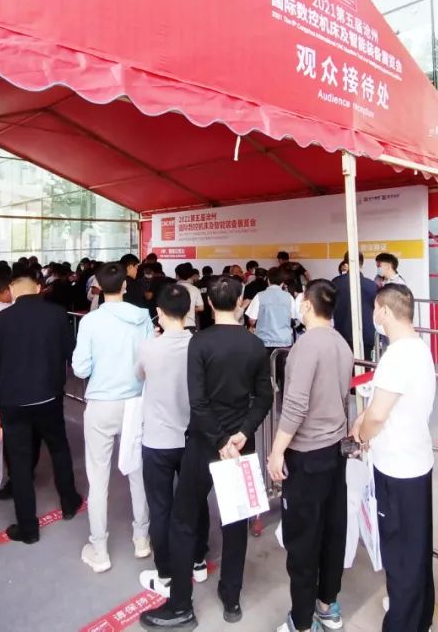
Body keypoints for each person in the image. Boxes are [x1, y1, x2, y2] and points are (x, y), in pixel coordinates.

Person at [141, 275, 273, 630]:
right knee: (235, 523)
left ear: (210, 304)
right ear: (241, 301)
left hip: (203, 443)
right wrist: (241, 434)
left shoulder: (199, 342)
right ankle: (231, 600)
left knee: (184, 521)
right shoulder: (255, 344)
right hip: (240, 446)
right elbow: (265, 397)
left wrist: (219, 440)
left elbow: (197, 403)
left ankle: (181, 605)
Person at [266, 279, 353, 632]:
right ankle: (327, 605)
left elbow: (295, 405)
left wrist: (276, 450)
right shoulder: (341, 343)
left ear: (306, 306)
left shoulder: (305, 346)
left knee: (302, 539)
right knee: (332, 531)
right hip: (334, 451)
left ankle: (301, 621)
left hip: (306, 456)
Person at [352, 284, 436, 632]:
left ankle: (402, 623)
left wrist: (362, 433)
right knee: (416, 550)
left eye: (375, 308)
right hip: (417, 460)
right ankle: (420, 617)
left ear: (384, 311)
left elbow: (377, 415)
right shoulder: (418, 347)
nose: (374, 314)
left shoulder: (397, 356)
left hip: (397, 468)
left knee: (400, 556)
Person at [0, 265, 83, 544]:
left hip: (12, 402)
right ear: (38, 288)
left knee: (20, 462)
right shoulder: (56, 314)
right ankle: (69, 501)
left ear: (12, 290)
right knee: (59, 448)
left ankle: (28, 528)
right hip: (49, 396)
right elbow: (71, 354)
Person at [72, 262, 153, 573]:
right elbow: (148, 360)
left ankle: (99, 548)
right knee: (138, 471)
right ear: (124, 286)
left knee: (98, 477)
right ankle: (142, 538)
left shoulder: (91, 322)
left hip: (102, 404)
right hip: (136, 402)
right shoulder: (143, 317)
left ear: (98, 288)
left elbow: (80, 369)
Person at [136, 285, 210, 597]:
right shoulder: (200, 345)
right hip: (194, 438)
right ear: (190, 311)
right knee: (196, 502)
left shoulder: (148, 348)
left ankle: (166, 572)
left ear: (159, 313)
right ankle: (198, 560)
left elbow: (139, 376)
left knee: (161, 505)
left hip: (158, 439)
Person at [331, 252, 376, 357]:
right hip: (366, 336)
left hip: (341, 335)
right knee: (364, 366)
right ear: (362, 264)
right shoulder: (372, 285)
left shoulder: (336, 283)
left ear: (346, 264)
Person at [174, 262, 204, 331]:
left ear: (177, 275)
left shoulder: (172, 289)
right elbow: (201, 308)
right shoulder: (194, 289)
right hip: (190, 324)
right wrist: (191, 308)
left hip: (175, 325)